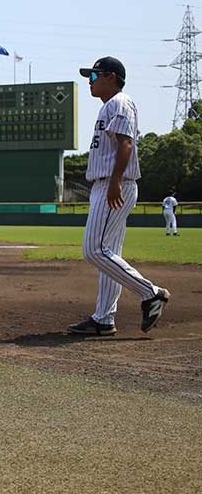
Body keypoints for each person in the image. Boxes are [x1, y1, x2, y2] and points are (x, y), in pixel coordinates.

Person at [68, 57, 171, 336]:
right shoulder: (109, 106)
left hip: (116, 185)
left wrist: (114, 181)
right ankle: (104, 318)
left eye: (94, 76)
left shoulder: (120, 102)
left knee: (95, 250)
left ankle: (150, 292)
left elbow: (126, 143)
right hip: (108, 184)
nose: (90, 81)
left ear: (110, 77)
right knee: (109, 253)